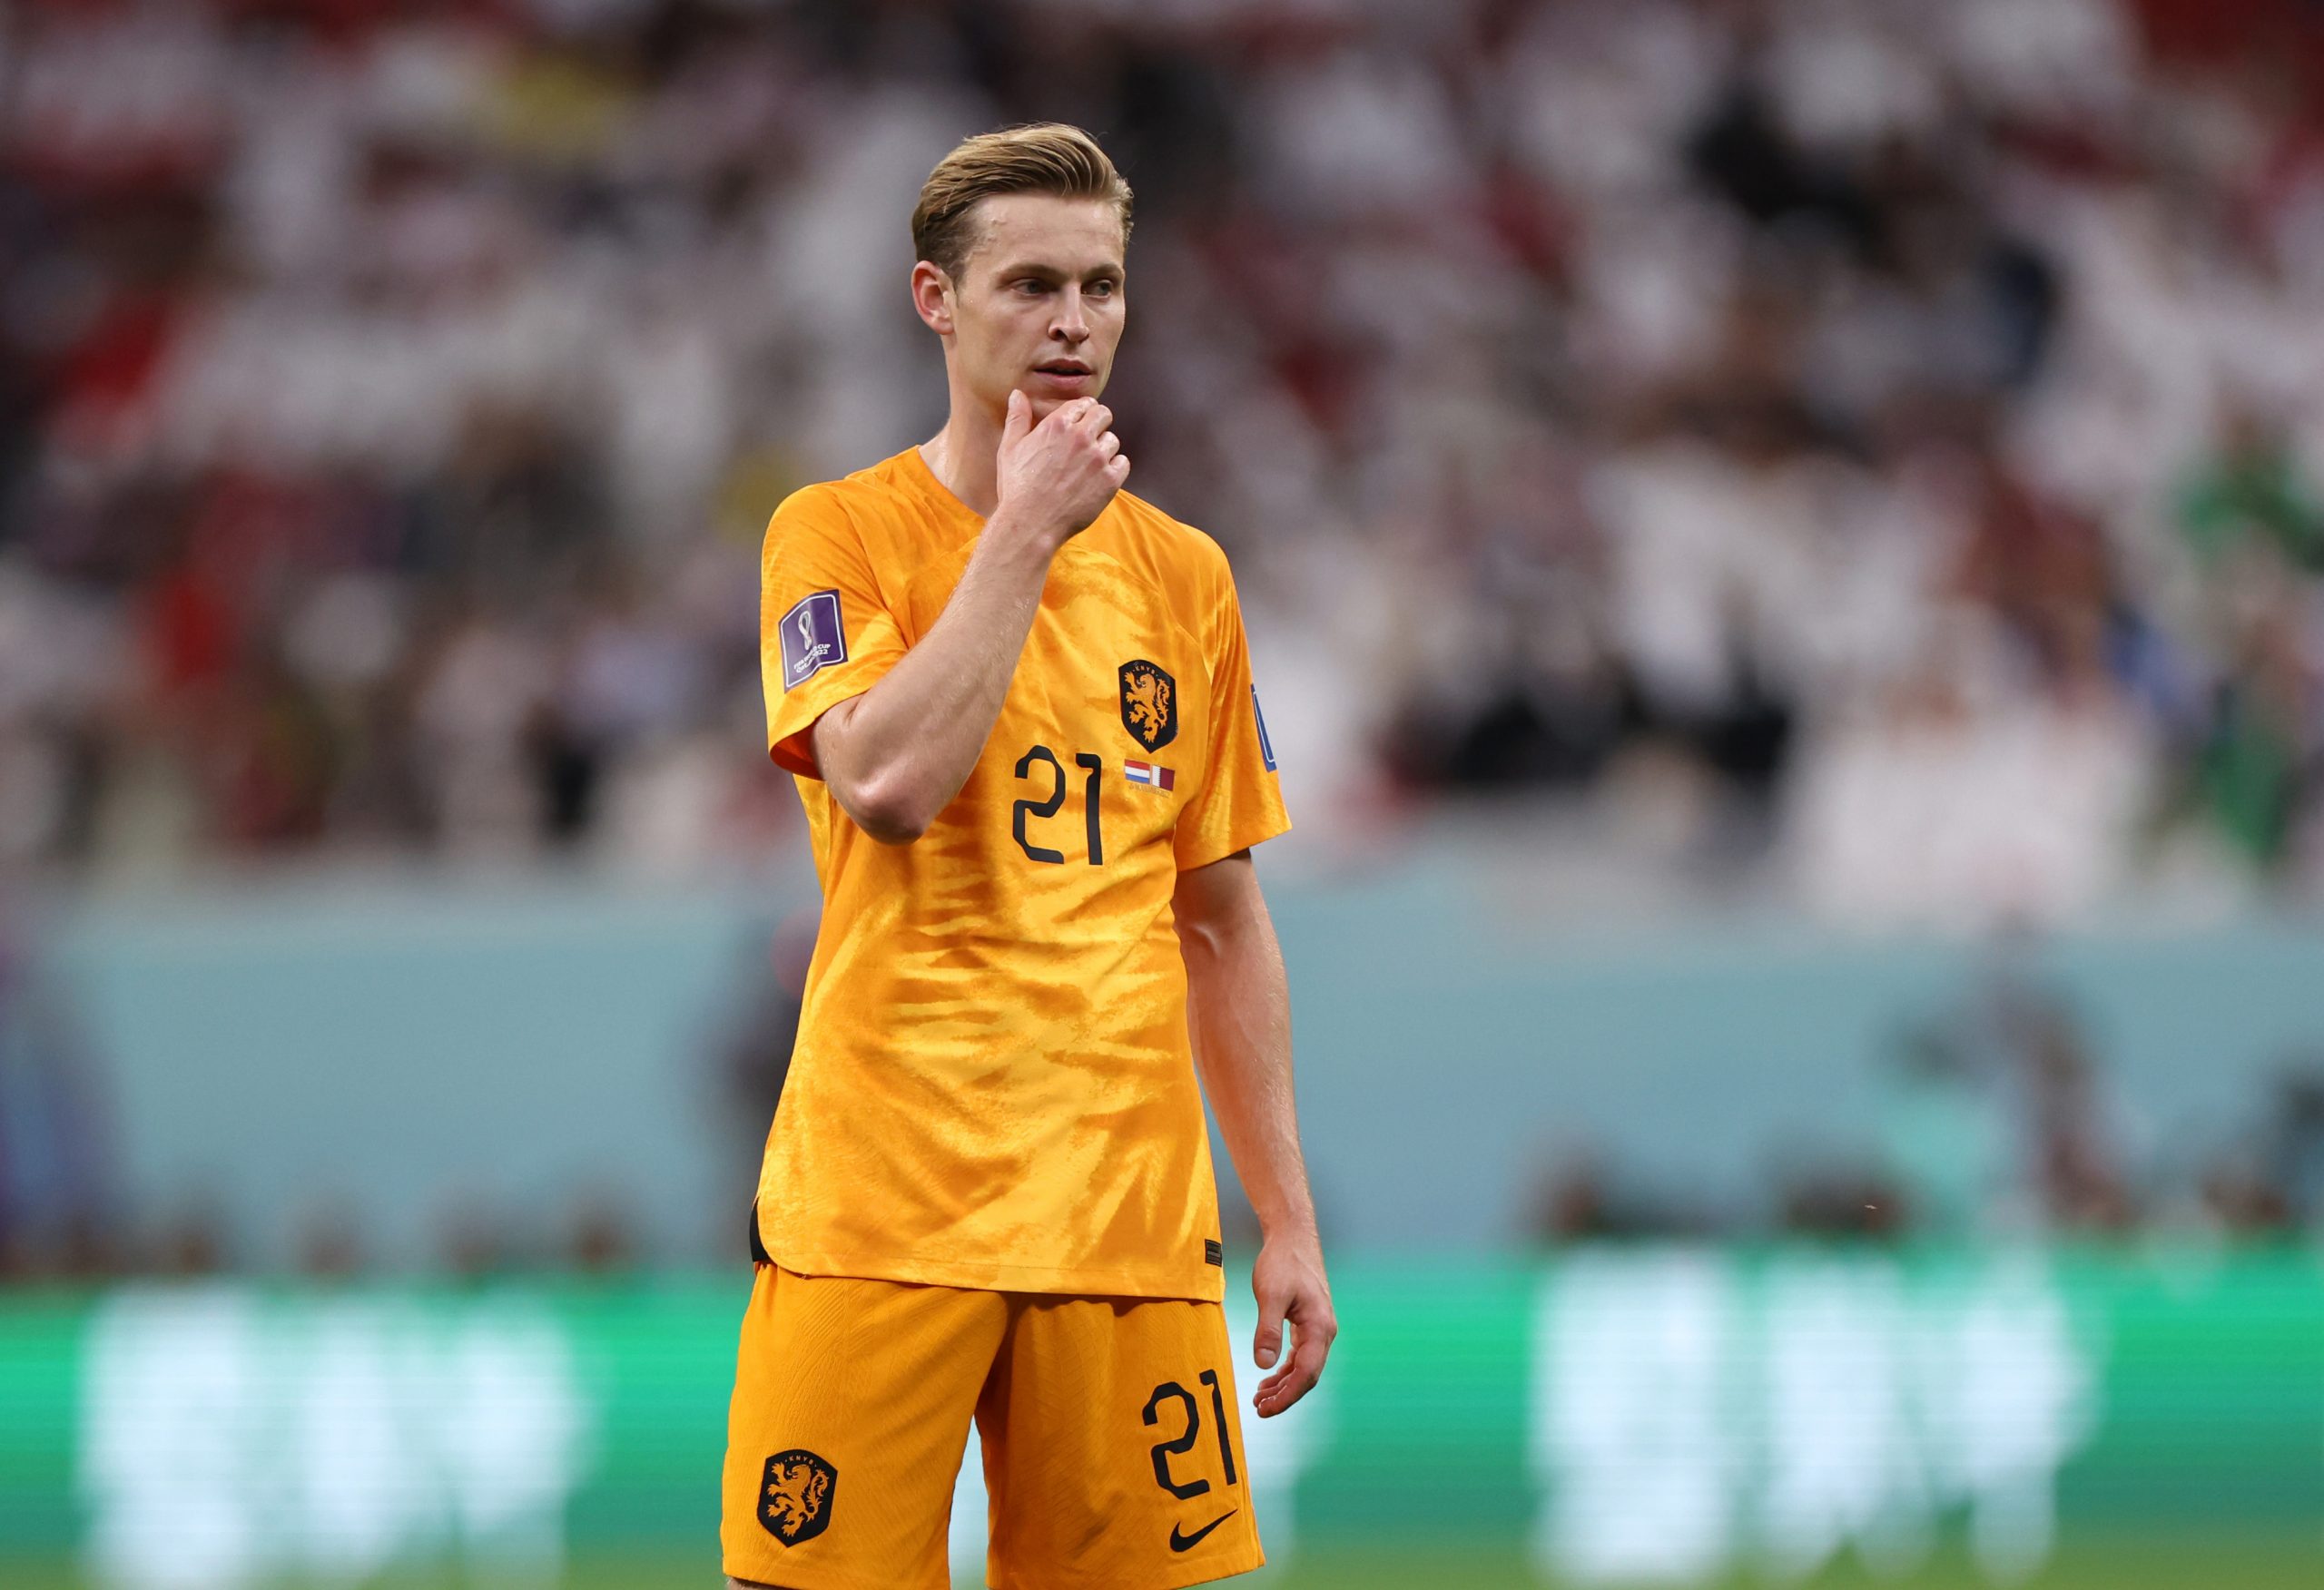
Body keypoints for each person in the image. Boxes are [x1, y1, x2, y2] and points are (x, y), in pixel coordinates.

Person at [722, 124, 1334, 1590]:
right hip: (882, 1202)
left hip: (1123, 1222)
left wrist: (1289, 1221)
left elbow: (1223, 925)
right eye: (1031, 284)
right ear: (935, 300)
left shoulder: (1186, 577)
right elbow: (880, 780)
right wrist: (1025, 533)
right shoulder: (838, 534)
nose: (1073, 322)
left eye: (1103, 286)